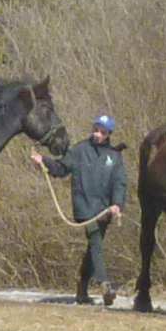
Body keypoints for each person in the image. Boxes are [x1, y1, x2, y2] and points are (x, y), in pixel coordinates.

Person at [32, 114, 127, 306]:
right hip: (84, 207)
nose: (98, 134)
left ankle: (82, 287)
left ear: (109, 134)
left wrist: (117, 204)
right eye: (96, 129)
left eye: (102, 131)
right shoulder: (79, 150)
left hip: (104, 209)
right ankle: (104, 284)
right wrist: (43, 160)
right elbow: (61, 168)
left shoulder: (114, 157)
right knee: (96, 242)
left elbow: (120, 182)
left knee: (94, 247)